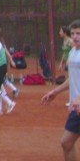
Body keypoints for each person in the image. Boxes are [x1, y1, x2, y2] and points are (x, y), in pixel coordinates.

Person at [42, 19, 80, 160]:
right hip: (76, 107)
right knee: (66, 143)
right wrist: (55, 92)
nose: (75, 37)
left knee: (66, 142)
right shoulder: (73, 53)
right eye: (73, 33)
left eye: (79, 34)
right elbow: (72, 79)